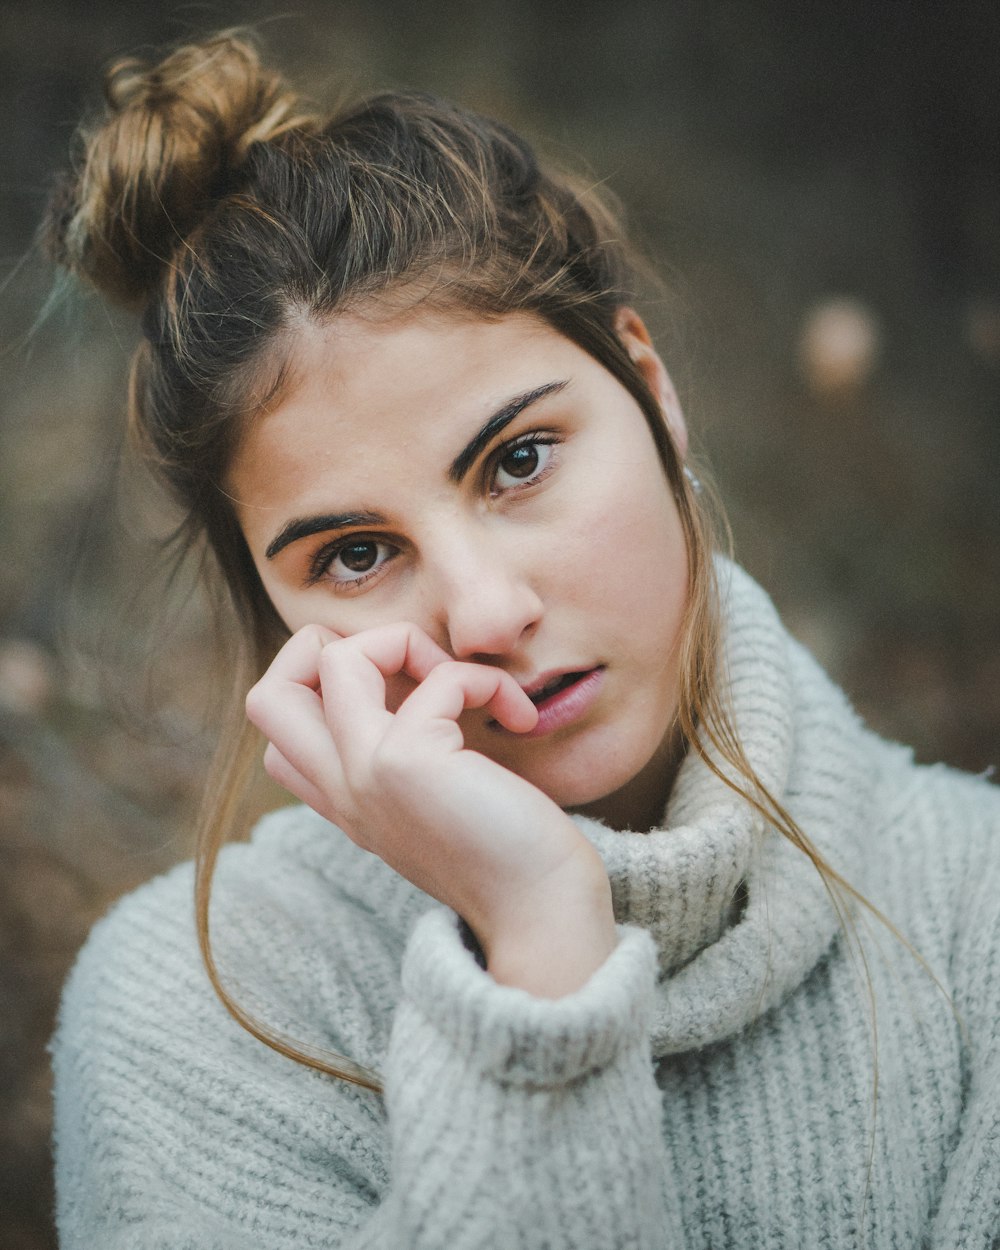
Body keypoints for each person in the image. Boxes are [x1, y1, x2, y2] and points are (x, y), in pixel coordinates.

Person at [45, 30, 1000, 1250]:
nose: (487, 616)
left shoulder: (976, 914)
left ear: (650, 387)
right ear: (276, 610)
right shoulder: (196, 1012)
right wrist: (538, 936)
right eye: (353, 552)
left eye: (519, 461)